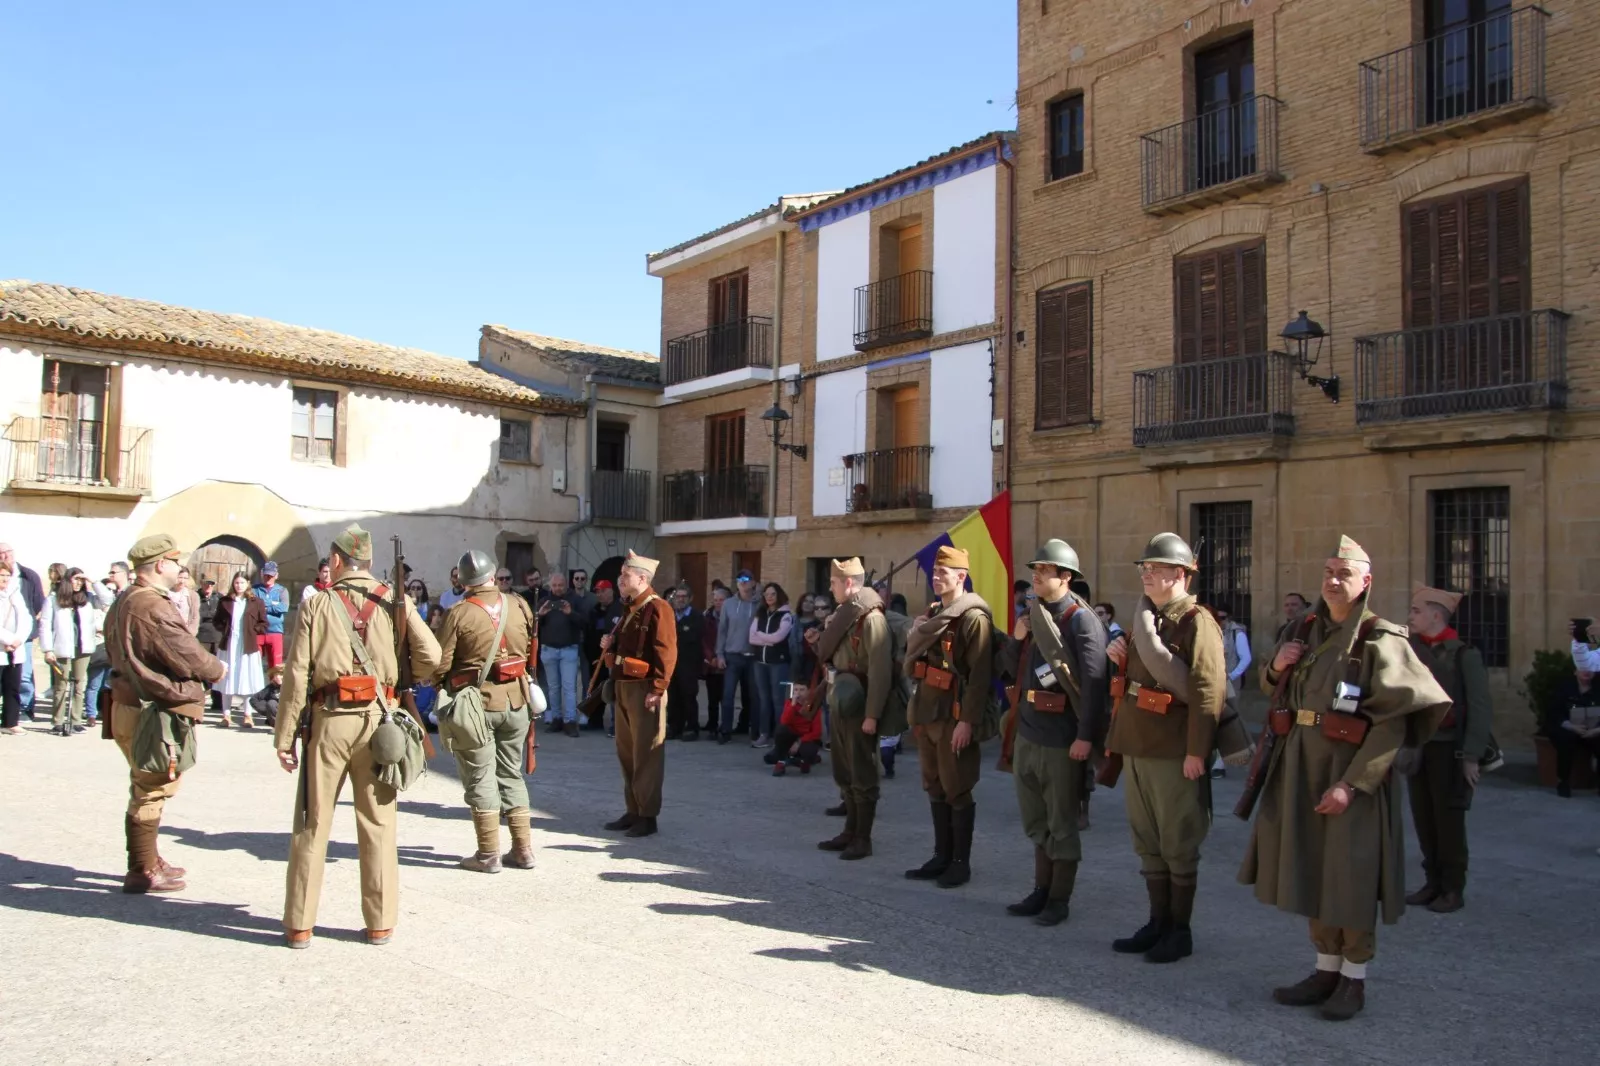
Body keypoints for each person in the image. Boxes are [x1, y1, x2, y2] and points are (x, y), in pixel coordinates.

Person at [1239, 535, 1450, 1021]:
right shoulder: (1303, 628)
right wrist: (1275, 666)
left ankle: (1353, 978)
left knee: (1350, 874)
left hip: (1348, 771)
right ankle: (1325, 968)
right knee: (1313, 867)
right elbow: (1274, 686)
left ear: (1366, 582)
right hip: (1300, 763)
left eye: (1345, 574)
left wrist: (1352, 784)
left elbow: (1393, 722)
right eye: (1329, 572)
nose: (1333, 581)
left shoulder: (1380, 638)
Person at [275, 524, 441, 949]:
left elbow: (297, 673)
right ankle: (380, 923)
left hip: (329, 719)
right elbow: (433, 655)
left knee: (312, 821)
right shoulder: (393, 600)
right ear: (367, 562)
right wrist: (401, 677)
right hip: (379, 722)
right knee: (378, 823)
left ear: (335, 560)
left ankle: (300, 924)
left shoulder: (317, 603)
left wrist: (285, 735)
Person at [1104, 533, 1226, 964]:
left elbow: (1208, 691)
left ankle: (1179, 930)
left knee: (1178, 841)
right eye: (1144, 567)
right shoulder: (1148, 619)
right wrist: (1120, 655)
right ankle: (1157, 922)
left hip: (1175, 749)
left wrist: (1197, 751)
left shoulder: (1196, 622)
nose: (1147, 574)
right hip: (1138, 743)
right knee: (1148, 841)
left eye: (1156, 568)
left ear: (1181, 575)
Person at [103, 534, 227, 893]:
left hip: (127, 702)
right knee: (152, 787)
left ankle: (148, 859)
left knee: (144, 782)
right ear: (160, 564)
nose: (179, 568)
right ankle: (142, 869)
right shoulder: (151, 605)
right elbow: (184, 651)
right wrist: (216, 669)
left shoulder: (127, 599)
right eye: (175, 562)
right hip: (150, 710)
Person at [1000, 540, 1109, 924]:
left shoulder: (1081, 621)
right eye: (1035, 569)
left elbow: (1094, 686)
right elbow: (1008, 668)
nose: (1036, 575)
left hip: (1063, 737)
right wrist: (1016, 637)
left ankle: (1058, 900)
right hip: (1029, 732)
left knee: (1061, 823)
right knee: (1037, 821)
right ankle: (1041, 890)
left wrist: (1085, 736)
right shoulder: (1033, 616)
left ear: (1066, 577)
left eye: (1044, 570)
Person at [433, 548, 539, 873]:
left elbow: (441, 663)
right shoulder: (519, 604)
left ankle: (488, 854)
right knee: (511, 773)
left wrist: (438, 684)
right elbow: (529, 646)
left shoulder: (459, 612)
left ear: (464, 581)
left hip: (475, 704)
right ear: (493, 575)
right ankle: (523, 850)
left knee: (480, 776)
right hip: (516, 700)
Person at [902, 546, 997, 890]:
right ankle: (941, 855)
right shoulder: (933, 613)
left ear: (961, 577)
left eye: (943, 573)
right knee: (934, 785)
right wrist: (915, 634)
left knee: (957, 787)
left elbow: (980, 678)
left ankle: (960, 863)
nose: (936, 577)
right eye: (935, 572)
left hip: (953, 715)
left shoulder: (972, 618)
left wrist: (967, 722)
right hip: (929, 710)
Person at [1402, 583, 1492, 914]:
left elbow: (1480, 708)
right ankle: (1433, 882)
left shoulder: (1464, 655)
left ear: (1436, 616)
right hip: (1419, 747)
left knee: (1448, 822)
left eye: (1417, 611)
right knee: (1423, 818)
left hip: (1449, 749)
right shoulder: (1410, 650)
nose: (1411, 616)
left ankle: (1453, 887)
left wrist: (1471, 756)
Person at [815, 558, 895, 861]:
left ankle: (863, 838)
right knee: (843, 770)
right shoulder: (844, 614)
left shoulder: (870, 619)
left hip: (860, 706)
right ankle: (849, 831)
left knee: (862, 773)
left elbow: (880, 671)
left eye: (834, 582)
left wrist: (872, 715)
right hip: (840, 700)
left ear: (849, 583)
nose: (831, 587)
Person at [599, 551, 676, 838]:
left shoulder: (658, 608)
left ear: (642, 578)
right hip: (623, 685)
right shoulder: (629, 607)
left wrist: (658, 689)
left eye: (625, 574)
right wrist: (610, 643)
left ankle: (647, 815)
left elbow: (666, 652)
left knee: (647, 754)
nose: (620, 579)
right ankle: (633, 809)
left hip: (645, 688)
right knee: (627, 753)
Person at [41, 567, 99, 735]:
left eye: (81, 580)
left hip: (83, 647)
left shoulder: (88, 598)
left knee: (80, 684)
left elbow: (108, 599)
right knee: (61, 685)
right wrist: (47, 649)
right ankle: (58, 722)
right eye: (75, 579)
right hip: (62, 647)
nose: (78, 583)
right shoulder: (53, 599)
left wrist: (92, 580)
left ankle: (76, 721)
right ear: (68, 580)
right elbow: (45, 624)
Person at [214, 571, 267, 728]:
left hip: (247, 645)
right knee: (227, 679)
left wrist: (253, 630)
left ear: (248, 584)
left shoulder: (256, 602)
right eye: (237, 582)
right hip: (229, 645)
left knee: (246, 679)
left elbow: (264, 623)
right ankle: (226, 715)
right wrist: (225, 630)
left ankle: (247, 715)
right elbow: (217, 621)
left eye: (242, 582)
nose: (239, 585)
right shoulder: (225, 601)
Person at [0, 543, 45, 722]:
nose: (3, 556)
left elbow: (30, 613)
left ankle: (21, 712)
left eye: (6, 552)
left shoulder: (27, 577)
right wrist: (8, 639)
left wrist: (18, 639)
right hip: (4, 642)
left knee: (21, 678)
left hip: (20, 641)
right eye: (0, 553)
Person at [537, 571, 584, 736]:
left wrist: (570, 613)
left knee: (569, 688)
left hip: (568, 650)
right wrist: (540, 615)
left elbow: (584, 622)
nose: (557, 588)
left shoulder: (574, 600)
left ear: (566, 585)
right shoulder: (544, 601)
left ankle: (570, 721)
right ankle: (556, 719)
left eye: (560, 585)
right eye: (555, 585)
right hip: (549, 650)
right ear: (550, 586)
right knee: (553, 688)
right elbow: (533, 625)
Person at [715, 570, 759, 742]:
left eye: (746, 579)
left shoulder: (760, 604)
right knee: (727, 695)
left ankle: (754, 731)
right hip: (732, 656)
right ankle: (725, 730)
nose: (742, 581)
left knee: (753, 696)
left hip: (753, 657)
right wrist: (720, 654)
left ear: (753, 582)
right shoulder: (729, 604)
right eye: (739, 579)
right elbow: (722, 630)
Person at [748, 582, 793, 749]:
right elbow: (751, 638)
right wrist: (768, 639)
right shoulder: (760, 613)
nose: (769, 597)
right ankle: (764, 734)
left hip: (778, 664)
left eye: (772, 594)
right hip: (760, 663)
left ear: (778, 595)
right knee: (763, 700)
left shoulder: (786, 615)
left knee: (778, 701)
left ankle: (779, 737)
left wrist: (760, 635)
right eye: (766, 594)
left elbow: (779, 637)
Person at [1546, 661, 1600, 796]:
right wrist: (1573, 727)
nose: (1586, 672)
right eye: (1582, 668)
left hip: (1594, 730)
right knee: (1565, 741)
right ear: (1575, 671)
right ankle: (1563, 782)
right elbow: (1554, 713)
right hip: (1569, 728)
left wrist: (1595, 731)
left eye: (1590, 669)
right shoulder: (1565, 688)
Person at [666, 587, 703, 741]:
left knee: (689, 695)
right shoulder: (669, 615)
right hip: (671, 663)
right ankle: (674, 727)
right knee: (672, 696)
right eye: (678, 597)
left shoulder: (697, 616)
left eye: (684, 596)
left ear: (690, 598)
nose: (680, 599)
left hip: (689, 663)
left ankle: (692, 727)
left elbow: (694, 637)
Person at [588, 579, 623, 734]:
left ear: (611, 591)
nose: (599, 594)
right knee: (599, 689)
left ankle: (617, 725)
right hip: (596, 656)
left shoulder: (619, 608)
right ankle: (596, 720)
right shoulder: (595, 610)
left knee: (614, 690)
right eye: (597, 592)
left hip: (613, 656)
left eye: (602, 591)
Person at [766, 682, 824, 774]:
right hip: (792, 736)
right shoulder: (789, 703)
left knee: (808, 751)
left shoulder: (814, 706)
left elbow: (816, 732)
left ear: (808, 691)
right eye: (796, 690)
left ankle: (802, 760)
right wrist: (792, 705)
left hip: (805, 738)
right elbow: (784, 722)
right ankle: (782, 761)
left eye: (802, 690)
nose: (798, 693)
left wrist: (799, 743)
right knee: (780, 730)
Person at [1, 562, 29, 734]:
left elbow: (26, 619)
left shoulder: (15, 594)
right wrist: (9, 640)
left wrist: (18, 639)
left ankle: (10, 722)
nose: (5, 579)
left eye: (7, 575)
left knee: (12, 687)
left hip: (15, 650)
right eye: (1, 575)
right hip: (2, 647)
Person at [253, 561, 291, 670]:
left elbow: (284, 608)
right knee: (254, 665)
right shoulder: (255, 590)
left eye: (271, 575)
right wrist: (273, 604)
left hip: (275, 631)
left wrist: (265, 606)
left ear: (276, 576)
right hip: (258, 631)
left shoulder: (282, 591)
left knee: (276, 666)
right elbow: (253, 607)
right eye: (266, 575)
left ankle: (274, 681)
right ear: (262, 574)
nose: (268, 577)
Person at [702, 586, 726, 736]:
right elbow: (704, 640)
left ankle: (725, 726)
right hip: (711, 662)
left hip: (726, 662)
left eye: (721, 600)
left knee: (725, 697)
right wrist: (711, 657)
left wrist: (722, 657)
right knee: (712, 697)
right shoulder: (706, 617)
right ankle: (712, 725)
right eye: (716, 600)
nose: (718, 602)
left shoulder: (731, 617)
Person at [168, 567, 201, 638]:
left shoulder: (193, 595)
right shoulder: (167, 593)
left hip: (186, 633)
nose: (182, 581)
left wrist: (191, 633)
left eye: (185, 578)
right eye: (180, 577)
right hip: (169, 633)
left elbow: (195, 616)